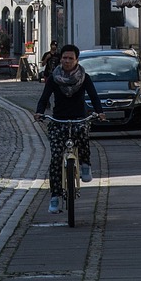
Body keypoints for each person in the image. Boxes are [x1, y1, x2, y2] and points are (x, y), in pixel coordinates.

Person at [35, 43, 105, 213]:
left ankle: (86, 165)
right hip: (58, 120)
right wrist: (39, 112)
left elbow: (94, 97)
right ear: (60, 59)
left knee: (83, 134)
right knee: (57, 158)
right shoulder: (54, 77)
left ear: (76, 60)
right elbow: (44, 98)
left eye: (70, 58)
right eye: (64, 58)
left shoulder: (84, 77)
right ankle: (55, 197)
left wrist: (100, 112)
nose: (67, 61)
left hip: (79, 117)